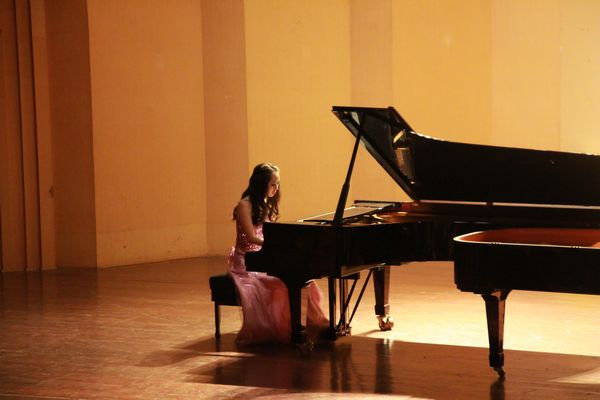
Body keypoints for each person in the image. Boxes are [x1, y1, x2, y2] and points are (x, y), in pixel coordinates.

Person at [228, 162, 328, 345]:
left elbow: (271, 233)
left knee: (304, 279)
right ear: (261, 184)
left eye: (278, 184)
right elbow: (251, 237)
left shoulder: (265, 203)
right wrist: (275, 245)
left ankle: (308, 325)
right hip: (246, 259)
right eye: (273, 184)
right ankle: (282, 328)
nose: (276, 188)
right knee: (278, 283)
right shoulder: (245, 204)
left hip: (265, 254)